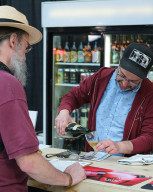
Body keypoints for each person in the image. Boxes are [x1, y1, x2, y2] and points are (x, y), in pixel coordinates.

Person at [0, 5, 86, 192]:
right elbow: (29, 162)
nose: (24, 56)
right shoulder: (7, 83)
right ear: (14, 41)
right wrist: (68, 177)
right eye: (26, 47)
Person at [55, 42, 153, 157]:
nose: (125, 84)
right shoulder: (101, 77)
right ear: (119, 62)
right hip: (93, 156)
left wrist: (119, 146)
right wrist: (64, 112)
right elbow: (73, 96)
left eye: (133, 81)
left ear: (144, 77)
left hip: (127, 164)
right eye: (122, 75)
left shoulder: (149, 93)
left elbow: (149, 138)